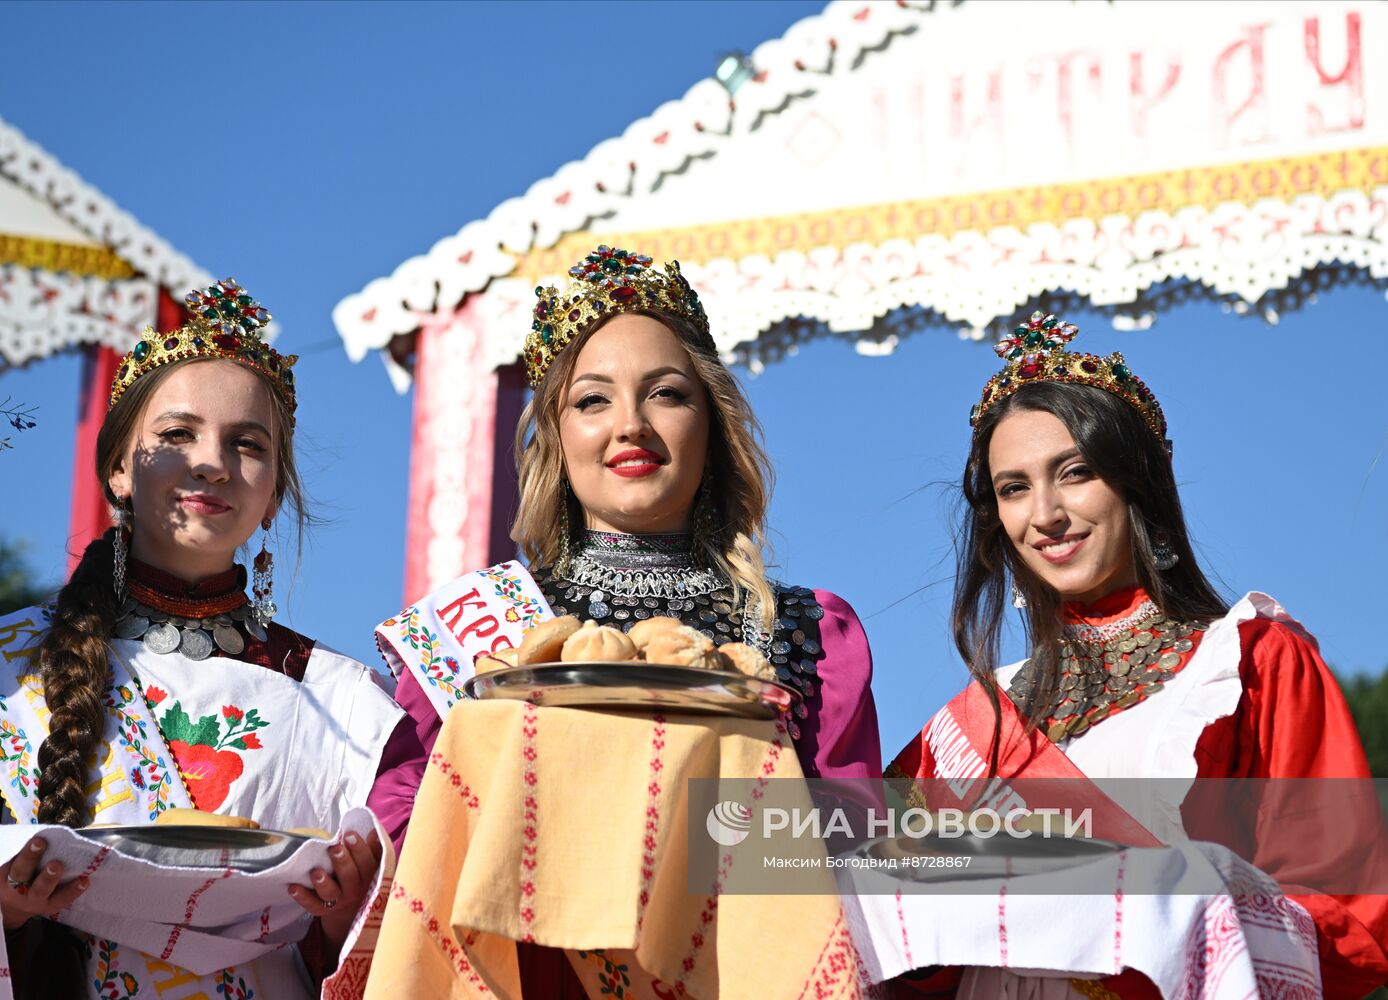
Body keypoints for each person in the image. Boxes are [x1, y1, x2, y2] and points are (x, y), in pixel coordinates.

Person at [372, 246, 882, 994]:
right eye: (592, 400)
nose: (630, 425)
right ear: (555, 433)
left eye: (666, 394)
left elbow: (857, 847)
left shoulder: (806, 631)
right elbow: (415, 835)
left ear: (712, 424)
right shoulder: (488, 630)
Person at [888, 312, 1388, 998]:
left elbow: (1352, 919)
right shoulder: (969, 725)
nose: (1046, 513)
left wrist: (1182, 902)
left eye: (1077, 473)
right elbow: (871, 918)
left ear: (1138, 485)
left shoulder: (1248, 663)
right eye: (1013, 488)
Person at [0, 280, 419, 998]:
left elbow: (410, 927)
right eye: (176, 435)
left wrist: (347, 919)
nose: (211, 462)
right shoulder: (13, 667)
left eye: (246, 444)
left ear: (274, 494)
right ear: (119, 469)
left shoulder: (346, 703)